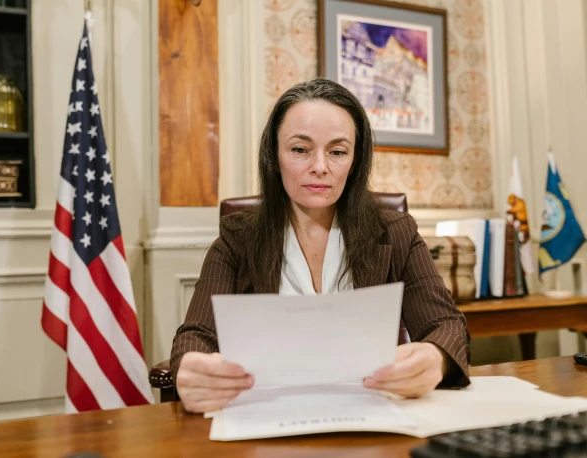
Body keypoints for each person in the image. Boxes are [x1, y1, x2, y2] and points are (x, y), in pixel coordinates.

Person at [170, 78, 470, 414]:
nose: (320, 167)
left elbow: (446, 327)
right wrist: (191, 370)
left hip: (370, 417)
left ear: (355, 161)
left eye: (338, 151)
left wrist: (435, 358)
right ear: (274, 155)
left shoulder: (394, 232)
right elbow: (194, 337)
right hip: (268, 416)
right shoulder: (237, 239)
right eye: (300, 149)